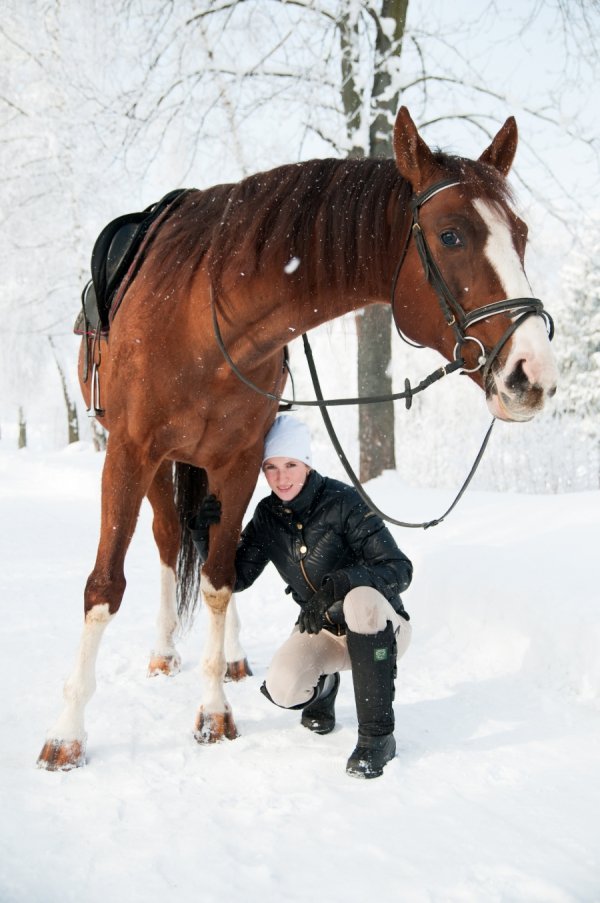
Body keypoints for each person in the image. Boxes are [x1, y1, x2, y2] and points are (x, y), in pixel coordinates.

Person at [189, 415, 413, 779]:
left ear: (307, 464)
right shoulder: (267, 515)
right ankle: (323, 689)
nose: (281, 477)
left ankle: (377, 737)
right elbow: (240, 577)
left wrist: (340, 584)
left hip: (382, 628)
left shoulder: (344, 502)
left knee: (359, 600)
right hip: (323, 631)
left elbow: (399, 569)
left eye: (290, 465)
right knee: (284, 687)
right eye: (271, 468)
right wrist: (204, 537)